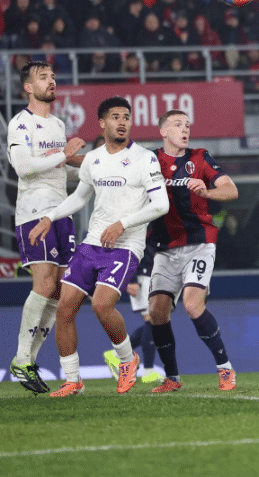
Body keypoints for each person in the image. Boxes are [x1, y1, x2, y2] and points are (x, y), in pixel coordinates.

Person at [27, 97, 169, 397]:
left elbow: (161, 204)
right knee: (64, 307)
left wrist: (122, 224)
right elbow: (80, 197)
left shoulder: (145, 159)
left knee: (102, 304)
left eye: (126, 117)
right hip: (92, 243)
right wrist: (50, 217)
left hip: (126, 246)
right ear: (102, 123)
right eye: (115, 117)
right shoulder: (93, 159)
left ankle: (127, 360)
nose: (122, 122)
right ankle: (73, 381)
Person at [145, 110, 240, 393]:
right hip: (165, 248)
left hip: (199, 242)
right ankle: (172, 378)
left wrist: (208, 192)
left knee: (192, 304)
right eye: (177, 124)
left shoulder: (200, 158)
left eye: (187, 125)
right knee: (157, 311)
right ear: (163, 131)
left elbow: (231, 189)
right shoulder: (149, 161)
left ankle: (225, 369)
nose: (185, 129)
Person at [7, 61, 85, 394]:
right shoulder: (20, 123)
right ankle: (22, 357)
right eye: (43, 77)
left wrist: (93, 171)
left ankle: (27, 360)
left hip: (60, 211)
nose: (51, 81)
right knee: (45, 282)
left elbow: (58, 169)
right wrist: (64, 154)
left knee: (59, 290)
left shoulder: (57, 124)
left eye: (53, 76)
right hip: (33, 211)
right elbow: (24, 167)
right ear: (28, 87)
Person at [102, 247, 163, 385]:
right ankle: (148, 371)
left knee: (155, 321)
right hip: (141, 275)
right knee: (152, 320)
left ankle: (116, 355)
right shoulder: (138, 232)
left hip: (150, 273)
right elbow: (131, 248)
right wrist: (132, 278)